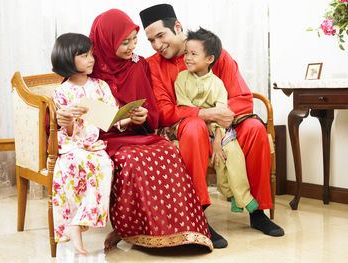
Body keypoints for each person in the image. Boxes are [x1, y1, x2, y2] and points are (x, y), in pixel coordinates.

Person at [139, 4, 285, 245]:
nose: (156, 45)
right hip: (184, 127)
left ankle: (258, 212)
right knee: (195, 127)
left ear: (177, 27)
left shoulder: (214, 53)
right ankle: (198, 215)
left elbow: (243, 99)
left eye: (160, 36)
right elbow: (164, 111)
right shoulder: (152, 65)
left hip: (222, 125)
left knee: (255, 129)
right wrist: (205, 113)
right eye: (151, 40)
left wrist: (220, 116)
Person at [88, 9, 212, 251]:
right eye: (125, 42)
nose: (132, 47)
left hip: (137, 135)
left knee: (167, 151)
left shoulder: (137, 65)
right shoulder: (86, 67)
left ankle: (185, 230)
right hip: (103, 138)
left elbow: (152, 111)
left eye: (134, 40)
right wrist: (109, 121)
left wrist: (142, 116)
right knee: (132, 160)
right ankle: (137, 231)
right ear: (106, 40)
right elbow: (72, 107)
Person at [51, 33, 125, 255]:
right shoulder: (61, 92)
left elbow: (112, 119)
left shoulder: (101, 86)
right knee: (72, 165)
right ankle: (73, 225)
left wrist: (130, 116)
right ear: (66, 58)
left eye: (91, 54)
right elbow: (67, 131)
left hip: (94, 145)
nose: (91, 59)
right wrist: (69, 120)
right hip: (71, 146)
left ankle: (78, 221)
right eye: (84, 55)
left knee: (105, 165)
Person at [175, 27, 259, 214]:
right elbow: (185, 108)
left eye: (193, 54)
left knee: (233, 153)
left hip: (218, 129)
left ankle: (242, 198)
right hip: (196, 127)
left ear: (209, 59)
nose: (187, 57)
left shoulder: (218, 84)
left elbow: (221, 112)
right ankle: (230, 193)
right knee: (219, 160)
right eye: (186, 53)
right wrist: (206, 121)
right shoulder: (181, 79)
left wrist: (218, 141)